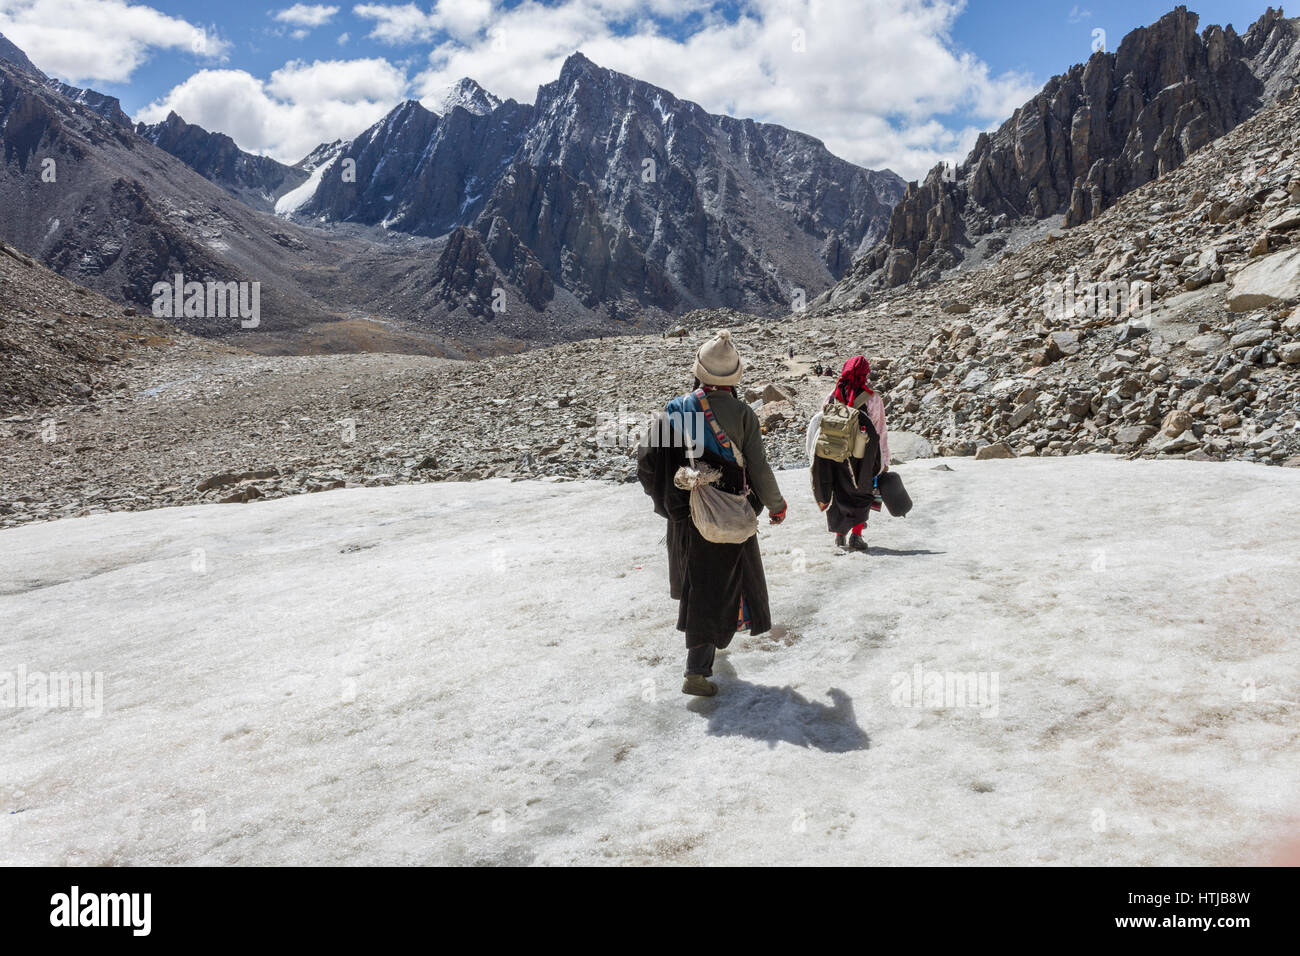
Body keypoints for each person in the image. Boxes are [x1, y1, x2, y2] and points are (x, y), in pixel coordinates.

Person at [638, 331, 788, 697]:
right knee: (718, 586)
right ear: (734, 377)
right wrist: (776, 505)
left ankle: (704, 658)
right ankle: (696, 671)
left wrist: (675, 500)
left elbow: (647, 462)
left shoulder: (675, 410)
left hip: (689, 516)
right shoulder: (743, 414)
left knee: (699, 584)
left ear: (700, 371)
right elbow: (759, 466)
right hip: (731, 515)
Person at [809, 356, 890, 552]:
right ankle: (857, 535)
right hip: (863, 455)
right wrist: (884, 460)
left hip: (835, 454)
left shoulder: (832, 396)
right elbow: (879, 430)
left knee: (839, 490)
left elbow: (822, 423)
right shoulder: (872, 398)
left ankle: (840, 534)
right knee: (863, 492)